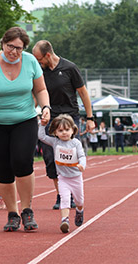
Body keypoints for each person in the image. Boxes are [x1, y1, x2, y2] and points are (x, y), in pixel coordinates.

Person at [0, 27, 50, 232]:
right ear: (2, 43)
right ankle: (12, 213)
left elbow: (40, 89)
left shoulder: (31, 62)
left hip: (24, 120)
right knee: (3, 169)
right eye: (10, 46)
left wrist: (45, 107)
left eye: (18, 48)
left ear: (24, 49)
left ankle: (27, 210)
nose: (13, 51)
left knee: (22, 161)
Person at [32, 40, 94, 210]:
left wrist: (90, 118)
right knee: (51, 157)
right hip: (50, 117)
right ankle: (61, 194)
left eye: (39, 59)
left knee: (68, 154)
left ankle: (71, 193)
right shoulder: (40, 72)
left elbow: (83, 93)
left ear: (47, 55)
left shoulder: (69, 68)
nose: (38, 63)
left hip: (69, 116)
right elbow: (35, 94)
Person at [38, 114, 86, 233]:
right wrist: (42, 125)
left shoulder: (76, 143)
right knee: (64, 199)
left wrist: (82, 165)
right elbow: (42, 137)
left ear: (73, 130)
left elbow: (82, 156)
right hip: (63, 178)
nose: (64, 133)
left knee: (79, 201)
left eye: (67, 130)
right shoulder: (55, 142)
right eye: (60, 130)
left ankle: (80, 211)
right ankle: (65, 220)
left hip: (76, 178)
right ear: (55, 132)